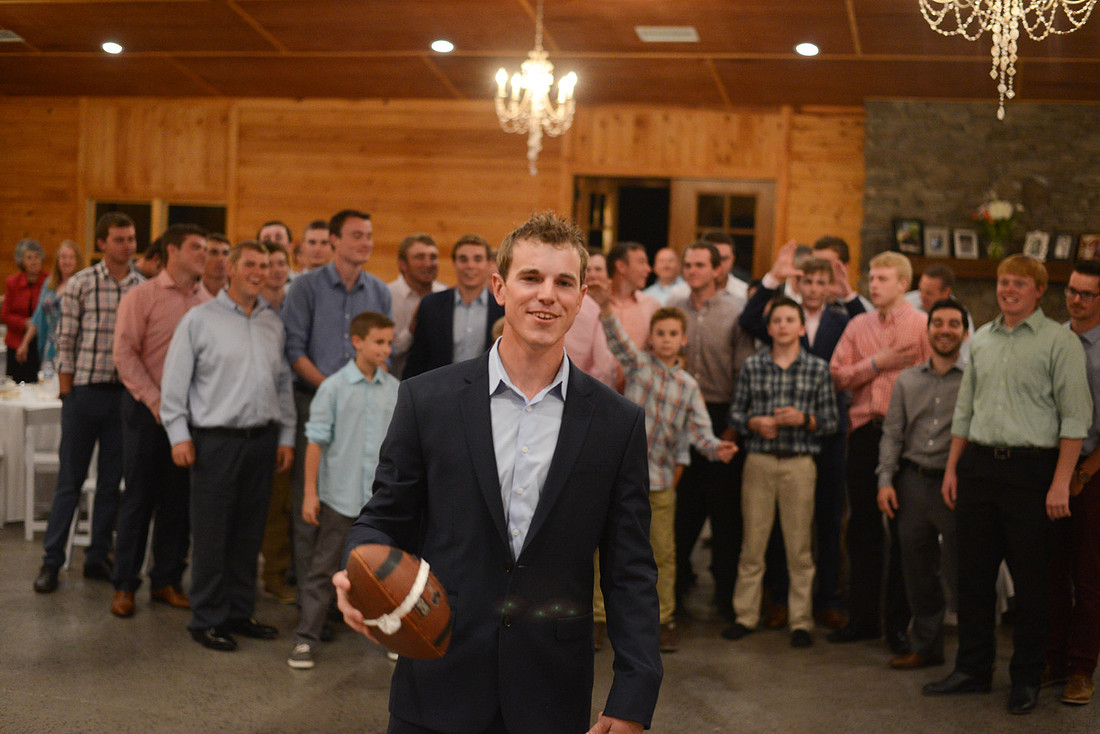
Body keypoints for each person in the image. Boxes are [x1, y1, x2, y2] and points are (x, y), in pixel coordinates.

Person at [334, 211, 662, 734]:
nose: (547, 295)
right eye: (531, 277)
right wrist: (356, 569)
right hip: (437, 680)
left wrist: (633, 696)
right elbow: (384, 517)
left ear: (582, 299)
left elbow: (630, 570)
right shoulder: (426, 399)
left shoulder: (616, 423)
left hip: (550, 691)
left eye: (564, 283)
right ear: (500, 287)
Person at [924, 255, 1092, 715]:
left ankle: (1027, 678)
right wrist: (953, 468)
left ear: (1038, 290)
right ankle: (972, 669)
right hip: (978, 467)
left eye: (1019, 283)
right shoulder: (981, 339)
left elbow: (1075, 418)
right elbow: (965, 409)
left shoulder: (1060, 342)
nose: (1008, 289)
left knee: (1032, 583)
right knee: (974, 577)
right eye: (1003, 282)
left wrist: (1061, 483)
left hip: (1031, 473)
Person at [587, 280, 737, 652]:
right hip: (621, 479)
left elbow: (700, 431)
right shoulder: (639, 366)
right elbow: (618, 340)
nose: (666, 339)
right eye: (660, 334)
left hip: (660, 483)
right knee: (607, 550)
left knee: (662, 555)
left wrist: (717, 448)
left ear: (683, 340)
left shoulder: (688, 386)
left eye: (673, 334)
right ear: (652, 339)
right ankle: (598, 617)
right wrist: (605, 308)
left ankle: (662, 619)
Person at [160, 241, 295, 652]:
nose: (259, 272)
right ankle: (207, 618)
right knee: (212, 534)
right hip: (215, 442)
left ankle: (238, 611)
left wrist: (286, 436)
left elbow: (282, 384)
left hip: (262, 440)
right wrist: (178, 435)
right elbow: (174, 384)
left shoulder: (272, 322)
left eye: (265, 265)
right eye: (250, 264)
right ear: (231, 268)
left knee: (248, 534)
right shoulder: (199, 320)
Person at [282, 208, 392, 603]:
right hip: (315, 398)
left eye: (369, 236)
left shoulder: (378, 291)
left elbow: (385, 351)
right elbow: (294, 349)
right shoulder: (305, 287)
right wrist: (335, 389)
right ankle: (310, 600)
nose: (366, 243)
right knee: (310, 502)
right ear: (334, 241)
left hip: (362, 407)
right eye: (357, 235)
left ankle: (348, 598)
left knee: (353, 504)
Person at [740, 247, 851, 630]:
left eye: (823, 282)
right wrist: (774, 277)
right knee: (768, 531)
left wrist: (851, 293)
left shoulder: (841, 320)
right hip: (771, 447)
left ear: (831, 286)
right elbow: (749, 319)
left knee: (823, 522)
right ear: (798, 285)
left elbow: (866, 325)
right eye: (809, 281)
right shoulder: (780, 322)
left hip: (821, 437)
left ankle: (824, 601)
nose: (815, 288)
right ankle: (776, 600)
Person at [33, 212, 141, 594]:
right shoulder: (81, 283)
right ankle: (52, 561)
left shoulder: (141, 287)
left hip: (124, 396)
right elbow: (65, 340)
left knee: (111, 483)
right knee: (70, 481)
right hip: (84, 392)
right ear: (101, 243)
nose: (127, 246)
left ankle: (97, 556)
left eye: (131, 239)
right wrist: (68, 394)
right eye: (119, 239)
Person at [829, 251, 930, 653]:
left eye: (883, 278)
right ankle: (863, 619)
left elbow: (935, 380)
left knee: (906, 533)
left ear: (903, 283)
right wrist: (876, 363)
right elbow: (836, 377)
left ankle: (899, 626)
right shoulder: (858, 325)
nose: (874, 284)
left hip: (906, 437)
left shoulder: (922, 325)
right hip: (864, 435)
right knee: (862, 529)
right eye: (871, 277)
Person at [723, 297, 839, 648]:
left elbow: (831, 421)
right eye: (777, 320)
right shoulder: (753, 366)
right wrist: (754, 423)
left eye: (790, 320)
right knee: (753, 544)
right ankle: (745, 615)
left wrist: (805, 419)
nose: (783, 326)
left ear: (801, 328)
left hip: (799, 464)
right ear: (769, 328)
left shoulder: (817, 369)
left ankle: (801, 620)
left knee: (799, 547)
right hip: (759, 461)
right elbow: (735, 415)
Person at [109, 223, 210, 618]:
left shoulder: (208, 302)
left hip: (190, 417)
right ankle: (124, 585)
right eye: (196, 247)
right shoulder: (142, 295)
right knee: (138, 500)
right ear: (173, 251)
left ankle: (166, 580)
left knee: (178, 502)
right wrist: (158, 402)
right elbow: (125, 355)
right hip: (146, 410)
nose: (204, 254)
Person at [288, 311, 399, 670]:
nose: (386, 349)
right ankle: (306, 638)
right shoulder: (333, 388)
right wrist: (311, 493)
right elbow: (315, 444)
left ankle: (391, 635)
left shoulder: (395, 389)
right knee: (323, 568)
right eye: (379, 342)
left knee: (385, 572)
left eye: (389, 342)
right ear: (357, 342)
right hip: (340, 497)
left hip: (377, 502)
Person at [876, 298, 969, 669]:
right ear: (927, 330)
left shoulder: (974, 379)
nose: (945, 330)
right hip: (912, 483)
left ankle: (973, 659)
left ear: (965, 332)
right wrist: (885, 480)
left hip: (955, 485)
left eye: (953, 324)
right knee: (917, 571)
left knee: (963, 570)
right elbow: (892, 433)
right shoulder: (907, 379)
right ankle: (927, 648)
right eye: (938, 323)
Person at [670, 241, 756, 621]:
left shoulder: (736, 312)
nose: (692, 270)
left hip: (722, 415)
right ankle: (672, 596)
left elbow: (744, 374)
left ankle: (725, 599)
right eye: (687, 264)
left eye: (700, 265)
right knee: (682, 512)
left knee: (725, 516)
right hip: (682, 418)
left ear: (718, 270)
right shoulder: (674, 309)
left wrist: (733, 429)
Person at [1047, 260, 1100, 706]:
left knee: (1088, 575)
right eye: (1070, 290)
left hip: (1092, 470)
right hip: (1050, 466)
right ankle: (1055, 658)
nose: (1075, 300)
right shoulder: (1055, 338)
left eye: (1086, 293)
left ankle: (1082, 668)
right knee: (1050, 569)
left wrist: (1082, 474)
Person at [405, 234, 502, 378]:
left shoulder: (502, 308)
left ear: (488, 264)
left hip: (487, 387)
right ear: (454, 263)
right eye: (463, 259)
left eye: (477, 259)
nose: (470, 266)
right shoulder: (431, 305)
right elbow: (417, 360)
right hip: (440, 387)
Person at [18, 240, 83, 370]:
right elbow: (38, 316)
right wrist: (24, 343)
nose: (67, 261)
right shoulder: (49, 284)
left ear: (77, 261)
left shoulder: (82, 284)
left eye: (71, 257)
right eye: (63, 257)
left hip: (73, 348)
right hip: (49, 346)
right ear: (57, 260)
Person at [388, 233, 445, 378]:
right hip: (396, 382)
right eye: (420, 257)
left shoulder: (444, 294)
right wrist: (411, 329)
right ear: (402, 264)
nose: (428, 264)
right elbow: (385, 351)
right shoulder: (388, 295)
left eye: (433, 257)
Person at [3, 238, 48, 383]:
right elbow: (5, 315)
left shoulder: (49, 281)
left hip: (41, 343)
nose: (34, 261)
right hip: (16, 343)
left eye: (36, 257)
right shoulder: (12, 282)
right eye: (29, 258)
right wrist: (24, 323)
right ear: (22, 261)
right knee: (16, 385)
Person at [606, 241, 661, 351]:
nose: (648, 269)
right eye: (641, 262)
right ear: (621, 266)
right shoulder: (594, 304)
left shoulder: (652, 306)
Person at [261, 240, 291, 311]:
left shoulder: (298, 302)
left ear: (289, 267)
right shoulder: (248, 306)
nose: (277, 270)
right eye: (269, 265)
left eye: (281, 264)